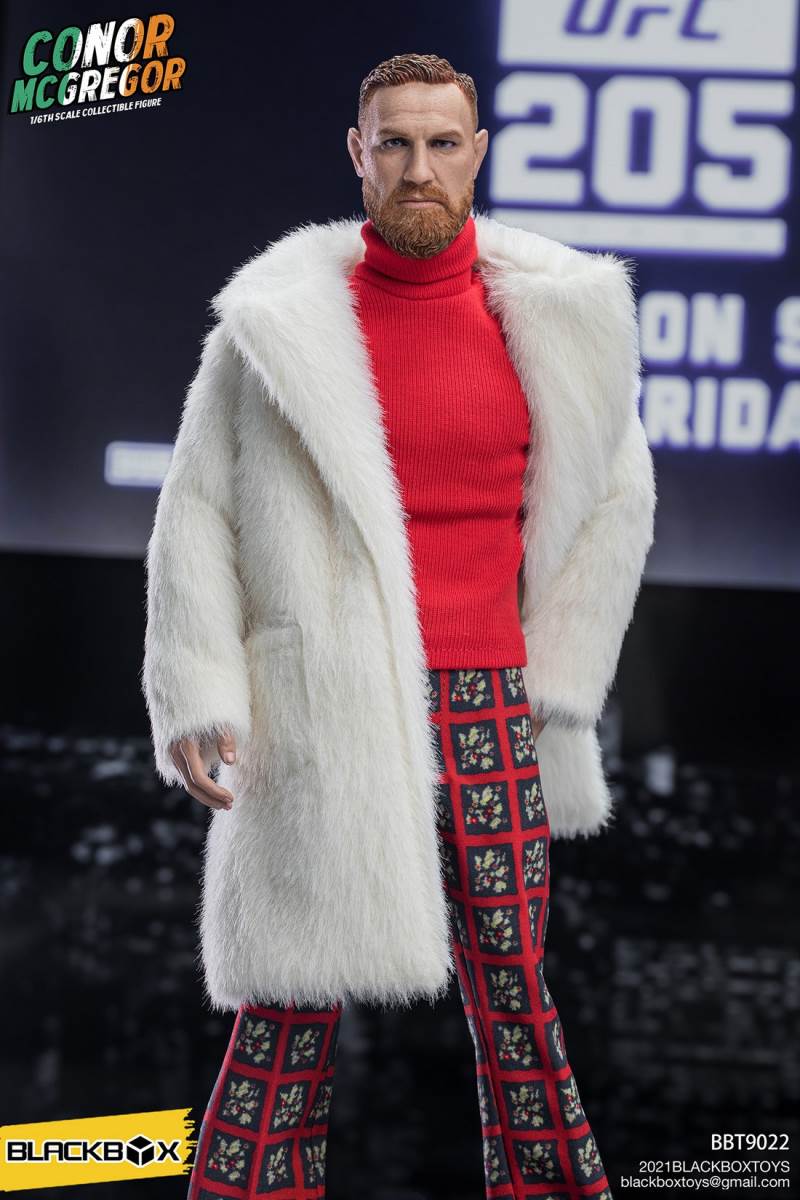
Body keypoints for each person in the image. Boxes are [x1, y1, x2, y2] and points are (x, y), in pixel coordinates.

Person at [142, 51, 655, 1200]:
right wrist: (196, 691)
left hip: (491, 701)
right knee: (288, 997)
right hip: (325, 696)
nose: (418, 167)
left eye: (440, 143)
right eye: (394, 143)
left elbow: (615, 506)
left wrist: (559, 681)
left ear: (476, 154)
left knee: (514, 994)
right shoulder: (275, 328)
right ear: (357, 154)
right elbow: (196, 514)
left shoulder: (558, 320)